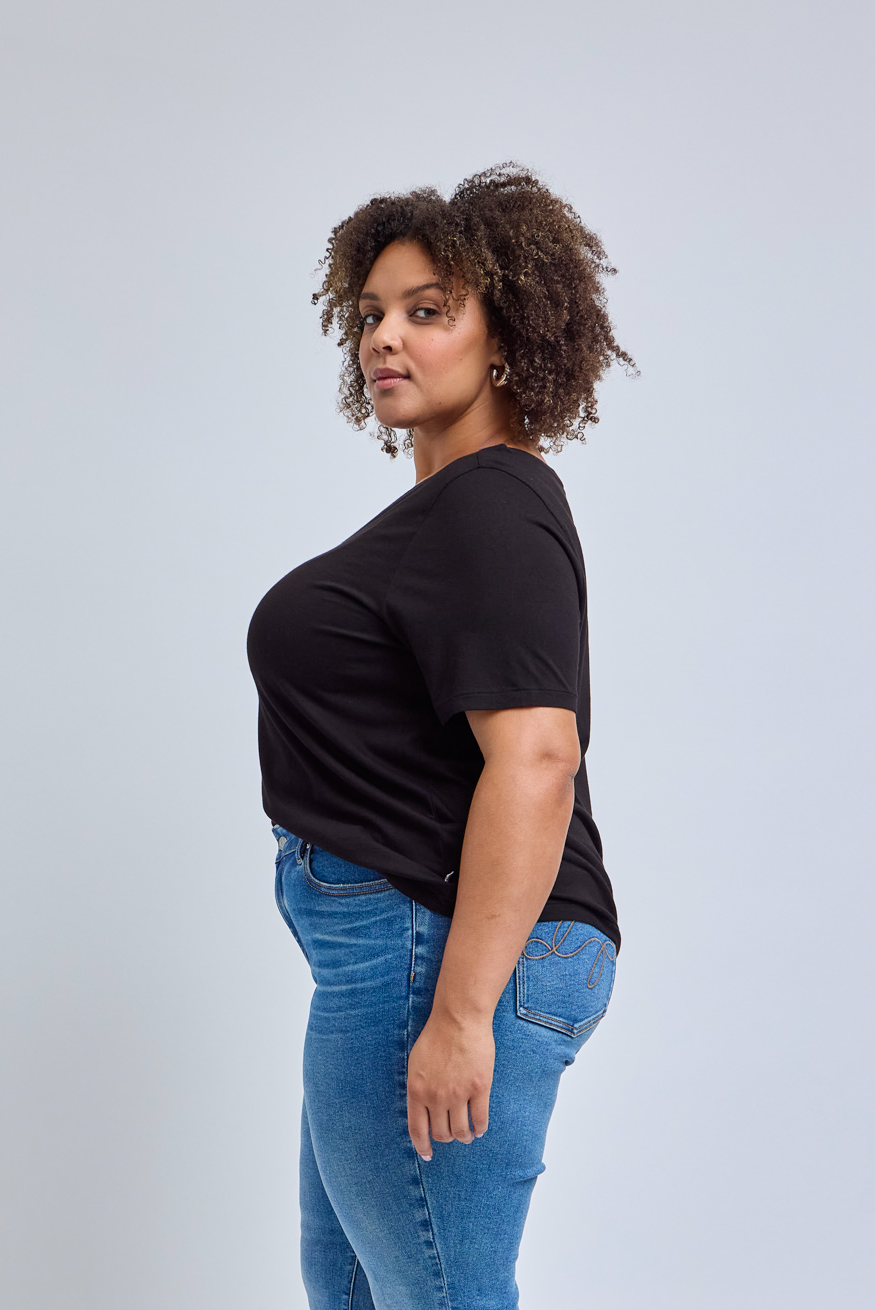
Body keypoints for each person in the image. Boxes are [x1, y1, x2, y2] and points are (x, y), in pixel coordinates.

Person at [246, 161, 638, 1310]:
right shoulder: (451, 510)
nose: (384, 337)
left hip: (435, 943)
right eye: (370, 313)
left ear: (505, 332)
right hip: (400, 944)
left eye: (427, 310)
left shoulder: (489, 501)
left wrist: (461, 1012)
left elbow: (536, 754)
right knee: (360, 1291)